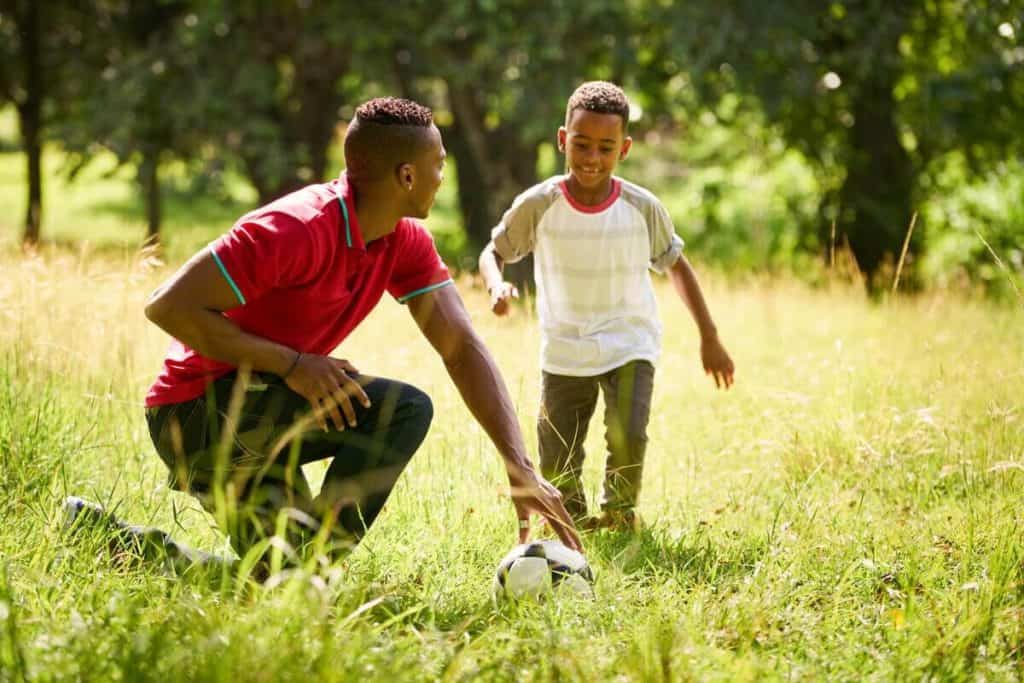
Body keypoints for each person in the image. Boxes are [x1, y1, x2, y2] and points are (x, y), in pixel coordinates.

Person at [69, 97, 581, 576]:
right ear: (407, 175)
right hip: (197, 415)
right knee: (401, 409)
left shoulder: (402, 241)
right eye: (438, 165)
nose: (443, 177)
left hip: (264, 411)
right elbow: (168, 306)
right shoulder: (295, 229)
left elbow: (461, 346)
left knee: (283, 578)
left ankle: (117, 539)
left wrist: (519, 463)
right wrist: (292, 364)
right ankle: (310, 576)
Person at [479, 81, 735, 532]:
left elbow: (677, 266)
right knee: (558, 450)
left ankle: (618, 515)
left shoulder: (641, 207)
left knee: (629, 436)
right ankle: (571, 521)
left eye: (605, 147)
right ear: (563, 139)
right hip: (564, 348)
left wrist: (710, 336)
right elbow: (493, 251)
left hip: (629, 341)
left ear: (625, 148)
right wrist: (496, 284)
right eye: (581, 144)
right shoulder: (540, 204)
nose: (591, 158)